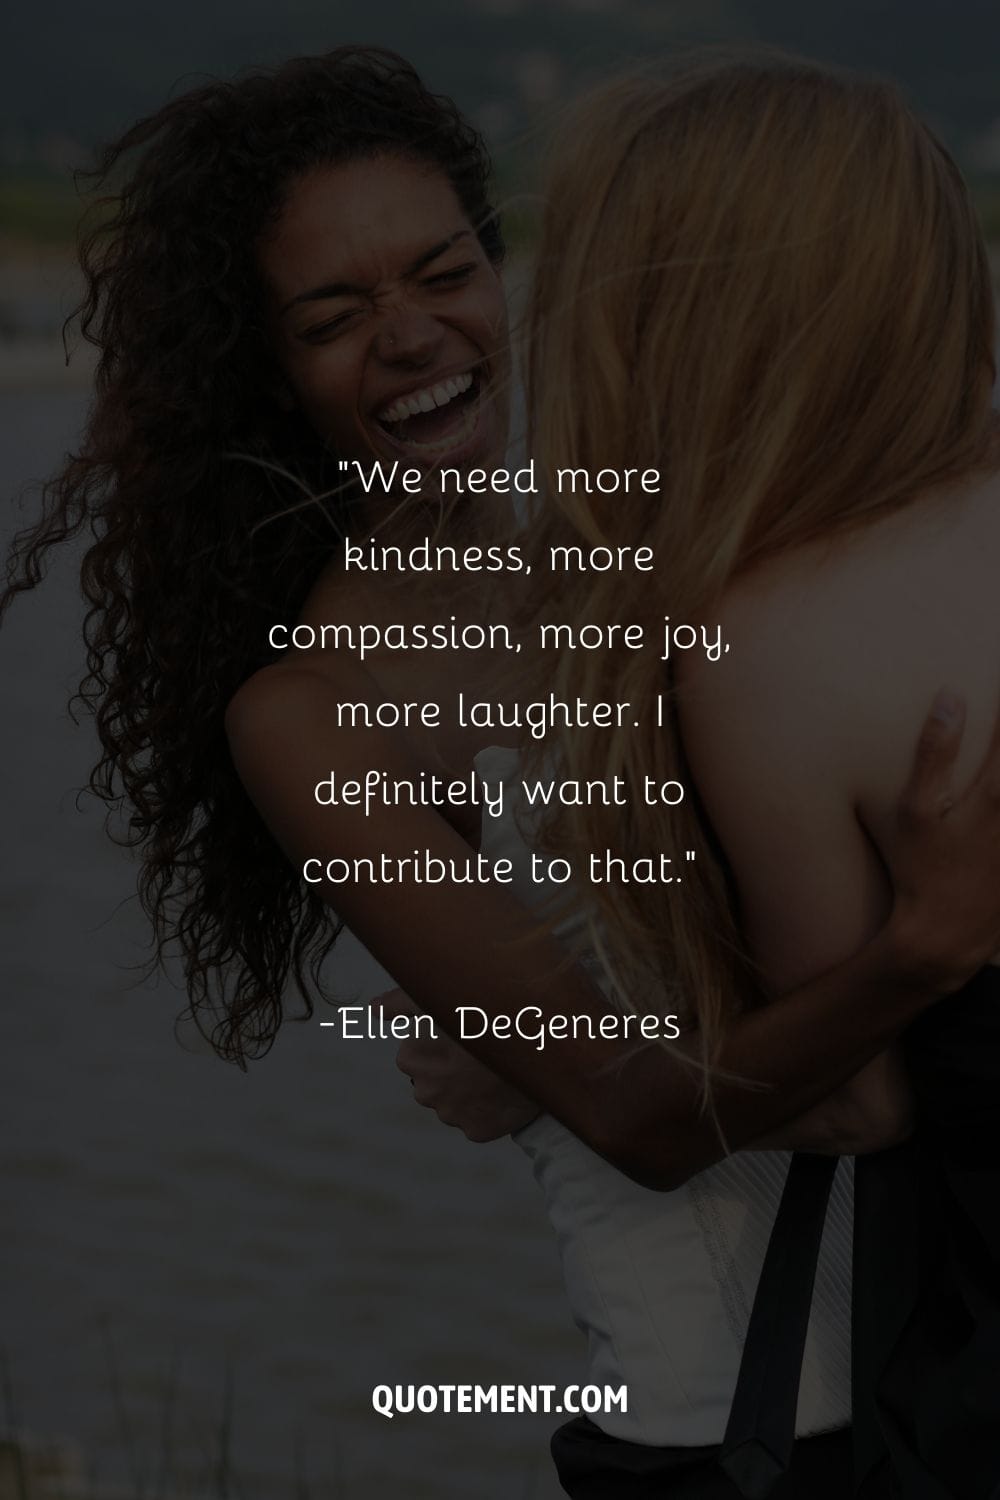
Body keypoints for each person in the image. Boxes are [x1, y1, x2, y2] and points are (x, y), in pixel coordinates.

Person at [6, 43, 1000, 1499]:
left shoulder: (640, 535)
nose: (412, 334)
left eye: (443, 269)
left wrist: (527, 1068)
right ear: (262, 370)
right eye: (336, 315)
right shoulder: (310, 711)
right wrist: (916, 953)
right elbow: (647, 1112)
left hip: (935, 1317)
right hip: (732, 1411)